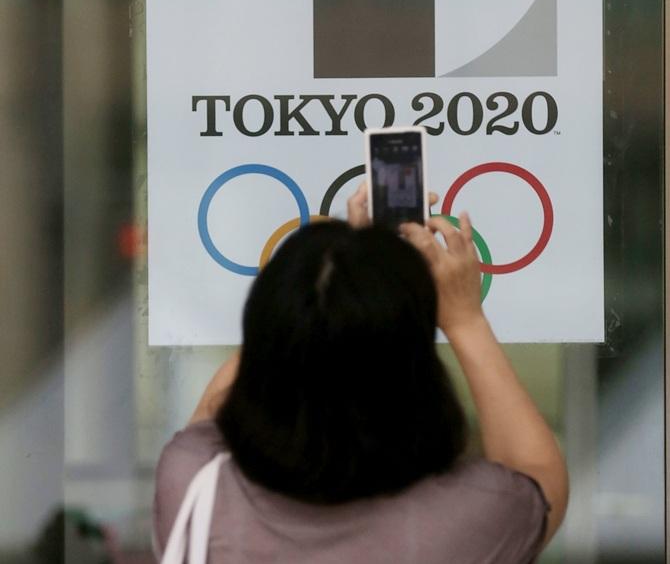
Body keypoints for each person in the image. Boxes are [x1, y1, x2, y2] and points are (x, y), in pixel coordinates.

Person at [153, 185, 568, 563]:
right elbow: (538, 474)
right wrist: (464, 320)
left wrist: (326, 286)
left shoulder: (192, 484)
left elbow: (254, 369)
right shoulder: (474, 514)